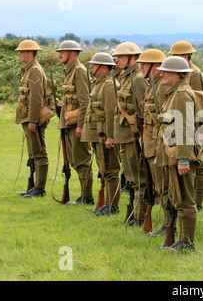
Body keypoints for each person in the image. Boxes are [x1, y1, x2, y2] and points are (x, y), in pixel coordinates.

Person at [155, 56, 198, 252]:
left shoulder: (181, 94)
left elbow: (186, 128)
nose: (162, 73)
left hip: (180, 156)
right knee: (177, 198)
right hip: (172, 153)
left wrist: (182, 158)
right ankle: (182, 241)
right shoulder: (174, 92)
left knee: (185, 200)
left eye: (166, 71)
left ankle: (187, 244)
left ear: (178, 74)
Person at [169, 41, 203, 211]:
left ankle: (198, 203)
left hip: (194, 125)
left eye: (176, 56)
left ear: (186, 56)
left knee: (200, 163)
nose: (173, 59)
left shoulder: (195, 74)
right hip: (184, 123)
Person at [112, 42, 148, 226]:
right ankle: (134, 214)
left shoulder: (138, 79)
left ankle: (140, 217)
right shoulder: (126, 78)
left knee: (138, 179)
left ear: (132, 58)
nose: (116, 59)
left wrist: (141, 136)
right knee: (131, 179)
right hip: (123, 135)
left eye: (121, 56)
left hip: (132, 136)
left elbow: (142, 111)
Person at [82, 53, 121, 216]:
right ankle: (107, 203)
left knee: (110, 170)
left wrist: (110, 136)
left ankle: (112, 206)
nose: (91, 67)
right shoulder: (101, 83)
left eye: (94, 64)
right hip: (99, 133)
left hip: (105, 134)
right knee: (105, 170)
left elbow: (111, 113)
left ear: (103, 67)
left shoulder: (108, 85)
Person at [56, 40, 94, 205]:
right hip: (69, 123)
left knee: (82, 160)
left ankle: (87, 197)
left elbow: (85, 101)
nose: (59, 55)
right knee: (74, 160)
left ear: (71, 53)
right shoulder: (70, 71)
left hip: (76, 123)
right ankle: (84, 195)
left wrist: (80, 125)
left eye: (62, 52)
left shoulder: (79, 71)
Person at [137, 49, 169, 234]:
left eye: (145, 63)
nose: (141, 67)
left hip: (158, 143)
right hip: (149, 141)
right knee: (157, 185)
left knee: (163, 186)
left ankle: (168, 224)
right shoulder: (152, 85)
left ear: (156, 66)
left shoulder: (162, 87)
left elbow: (163, 119)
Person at [15, 40, 51, 199]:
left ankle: (40, 188)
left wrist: (33, 121)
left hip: (33, 118)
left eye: (22, 52)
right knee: (33, 152)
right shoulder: (29, 70)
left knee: (39, 152)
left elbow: (36, 99)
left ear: (30, 52)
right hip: (27, 117)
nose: (19, 54)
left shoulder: (35, 71)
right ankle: (35, 186)